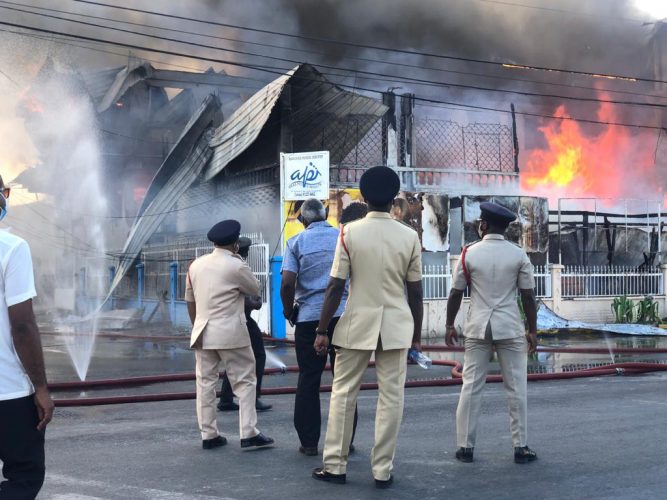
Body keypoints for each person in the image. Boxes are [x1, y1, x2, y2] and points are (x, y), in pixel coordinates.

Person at [311, 166, 424, 489]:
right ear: (394, 200)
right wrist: (415, 336)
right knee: (392, 398)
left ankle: (335, 466)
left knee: (343, 394)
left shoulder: (349, 233)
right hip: (396, 326)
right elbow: (414, 291)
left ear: (364, 196)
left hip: (357, 324)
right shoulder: (409, 236)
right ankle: (382, 470)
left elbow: (335, 286)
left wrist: (322, 330)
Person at [445, 201, 538, 464]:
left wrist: (450, 325)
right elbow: (528, 296)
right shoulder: (518, 255)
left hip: (477, 327)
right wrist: (532, 331)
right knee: (516, 387)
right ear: (506, 228)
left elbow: (455, 292)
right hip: (509, 327)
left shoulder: (468, 253)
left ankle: (465, 447)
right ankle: (521, 448)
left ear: (484, 225)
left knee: (471, 386)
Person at [185, 220, 274, 451]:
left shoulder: (196, 265)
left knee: (205, 384)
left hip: (203, 331)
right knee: (245, 382)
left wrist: (197, 325)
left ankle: (209, 435)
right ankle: (248, 432)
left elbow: (190, 301)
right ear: (235, 244)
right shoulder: (236, 265)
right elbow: (254, 289)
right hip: (231, 333)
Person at [281, 198, 357, 456]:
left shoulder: (296, 243)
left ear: (302, 220)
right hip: (343, 316)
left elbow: (288, 284)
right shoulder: (342, 238)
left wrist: (288, 310)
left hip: (309, 321)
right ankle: (345, 441)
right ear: (326, 216)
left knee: (309, 379)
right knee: (344, 380)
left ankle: (309, 442)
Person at [0, 176, 54, 499]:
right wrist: (42, 387)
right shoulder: (12, 249)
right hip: (8, 394)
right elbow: (22, 326)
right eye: (4, 193)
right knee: (25, 476)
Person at [218, 237, 272, 413]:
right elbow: (243, 298)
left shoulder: (222, 265)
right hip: (243, 319)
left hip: (227, 319)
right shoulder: (238, 266)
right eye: (247, 251)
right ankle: (254, 398)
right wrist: (254, 302)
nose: (248, 254)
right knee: (258, 356)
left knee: (232, 360)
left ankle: (226, 399)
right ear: (243, 251)